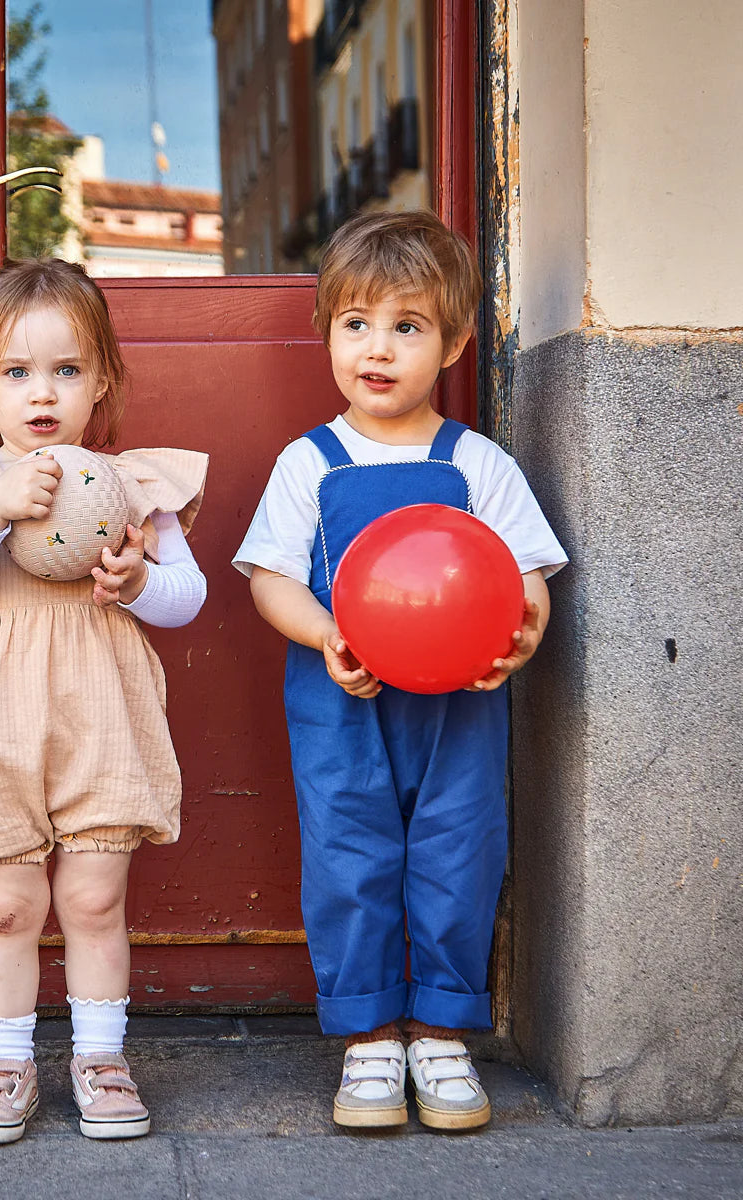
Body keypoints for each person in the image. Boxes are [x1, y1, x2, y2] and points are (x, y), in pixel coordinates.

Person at [234, 210, 567, 1132]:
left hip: (461, 707)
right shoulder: (311, 463)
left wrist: (521, 640)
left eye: (408, 326)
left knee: (460, 851)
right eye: (356, 323)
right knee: (350, 856)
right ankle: (370, 1037)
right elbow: (268, 579)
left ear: (456, 343)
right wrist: (326, 633)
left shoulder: (477, 465)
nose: (377, 348)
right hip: (342, 702)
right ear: (328, 331)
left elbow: (527, 578)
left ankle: (442, 1033)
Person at [0, 259, 208, 1145]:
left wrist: (137, 582)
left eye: (65, 370)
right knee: (9, 903)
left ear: (101, 380)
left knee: (95, 899)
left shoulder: (130, 486)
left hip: (101, 714)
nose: (41, 393)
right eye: (17, 373)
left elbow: (189, 600)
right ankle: (6, 1063)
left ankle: (101, 1057)